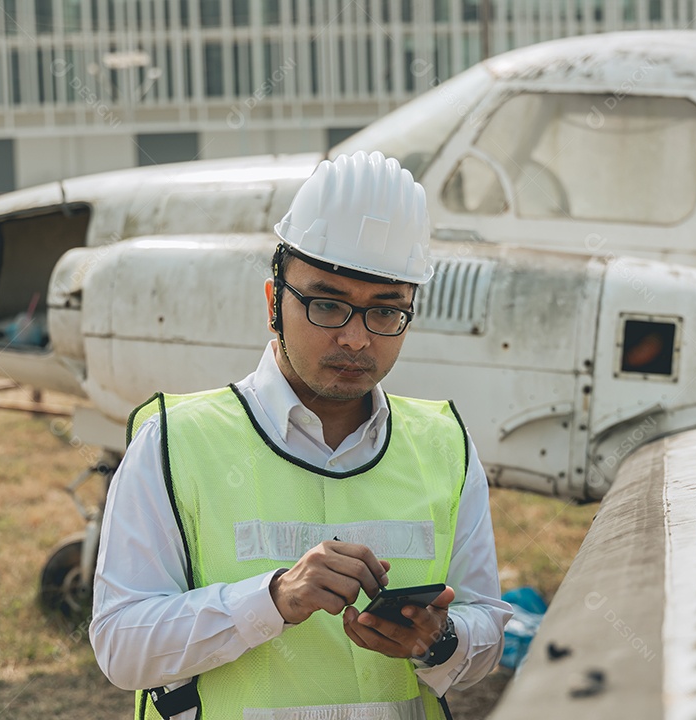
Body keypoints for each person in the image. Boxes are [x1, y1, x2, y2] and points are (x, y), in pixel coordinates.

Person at [90, 150, 511, 720]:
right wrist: (270, 600)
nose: (358, 340)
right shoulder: (175, 443)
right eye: (327, 304)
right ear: (273, 304)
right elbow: (121, 647)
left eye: (386, 312)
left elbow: (485, 630)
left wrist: (440, 641)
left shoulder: (444, 446)